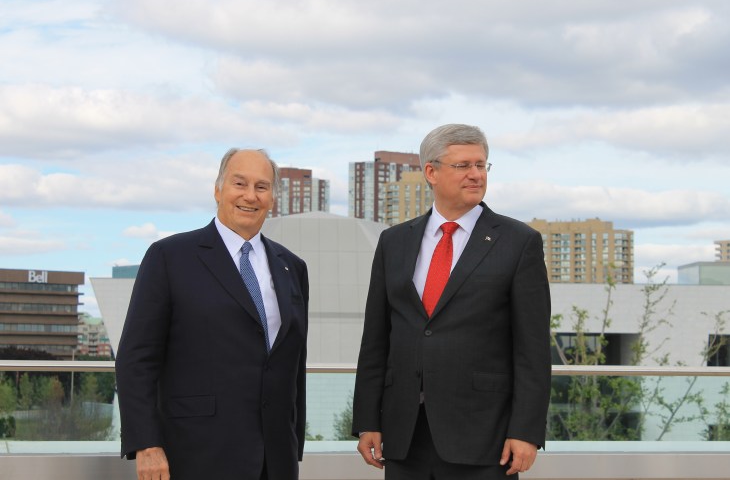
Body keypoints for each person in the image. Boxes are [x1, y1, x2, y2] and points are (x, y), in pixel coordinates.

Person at [352, 124, 551, 479]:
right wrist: (367, 419)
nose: (476, 175)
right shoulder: (393, 242)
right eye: (463, 166)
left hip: (484, 436)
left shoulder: (519, 242)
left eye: (481, 165)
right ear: (431, 171)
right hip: (404, 435)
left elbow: (532, 349)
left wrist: (526, 431)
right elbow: (376, 340)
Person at [115, 148, 308, 480]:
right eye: (239, 183)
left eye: (262, 187)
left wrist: (293, 440)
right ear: (218, 190)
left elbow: (293, 364)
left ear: (273, 198)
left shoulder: (292, 267)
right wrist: (147, 444)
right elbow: (136, 358)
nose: (250, 195)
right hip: (195, 453)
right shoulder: (170, 256)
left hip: (275, 458)